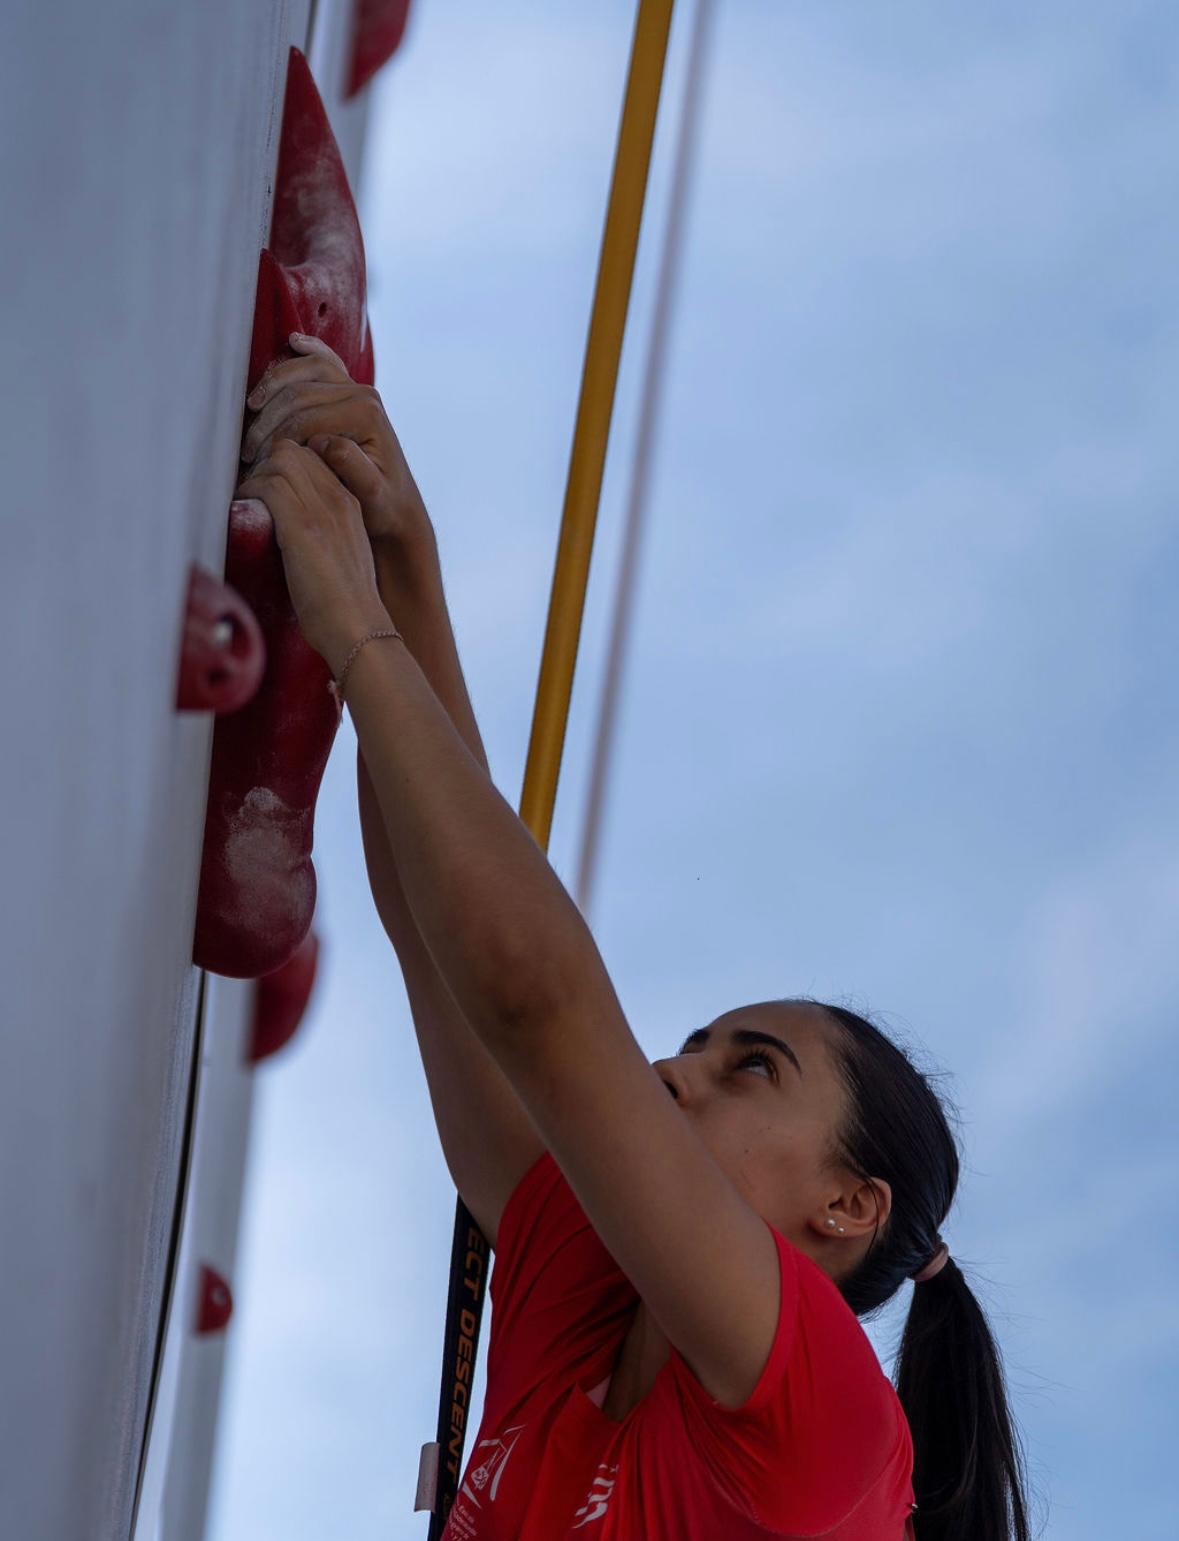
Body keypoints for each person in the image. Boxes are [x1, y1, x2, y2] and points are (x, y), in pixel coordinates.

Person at [237, 333, 1032, 1541]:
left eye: (749, 1066)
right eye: (699, 1043)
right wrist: (401, 563)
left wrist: (357, 627)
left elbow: (539, 1004)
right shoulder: (585, 1280)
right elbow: (449, 953)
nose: (670, 1067)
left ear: (847, 1205)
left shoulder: (830, 1423)